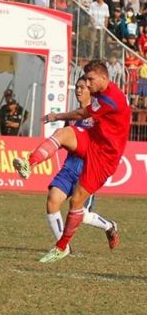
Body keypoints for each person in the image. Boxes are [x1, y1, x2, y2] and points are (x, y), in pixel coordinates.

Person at [13, 60, 129, 263]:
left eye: (90, 81)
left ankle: (61, 247)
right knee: (64, 133)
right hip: (91, 142)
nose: (87, 85)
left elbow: (83, 113)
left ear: (104, 78)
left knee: (77, 204)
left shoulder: (110, 99)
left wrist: (57, 115)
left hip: (104, 157)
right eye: (84, 83)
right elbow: (80, 115)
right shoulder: (101, 95)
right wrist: (59, 118)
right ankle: (28, 163)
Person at [44, 76, 118, 252]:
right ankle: (64, 248)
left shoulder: (99, 116)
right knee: (52, 201)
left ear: (91, 91)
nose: (78, 90)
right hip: (69, 167)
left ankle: (109, 226)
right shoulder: (71, 117)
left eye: (82, 87)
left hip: (87, 170)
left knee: (82, 215)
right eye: (77, 87)